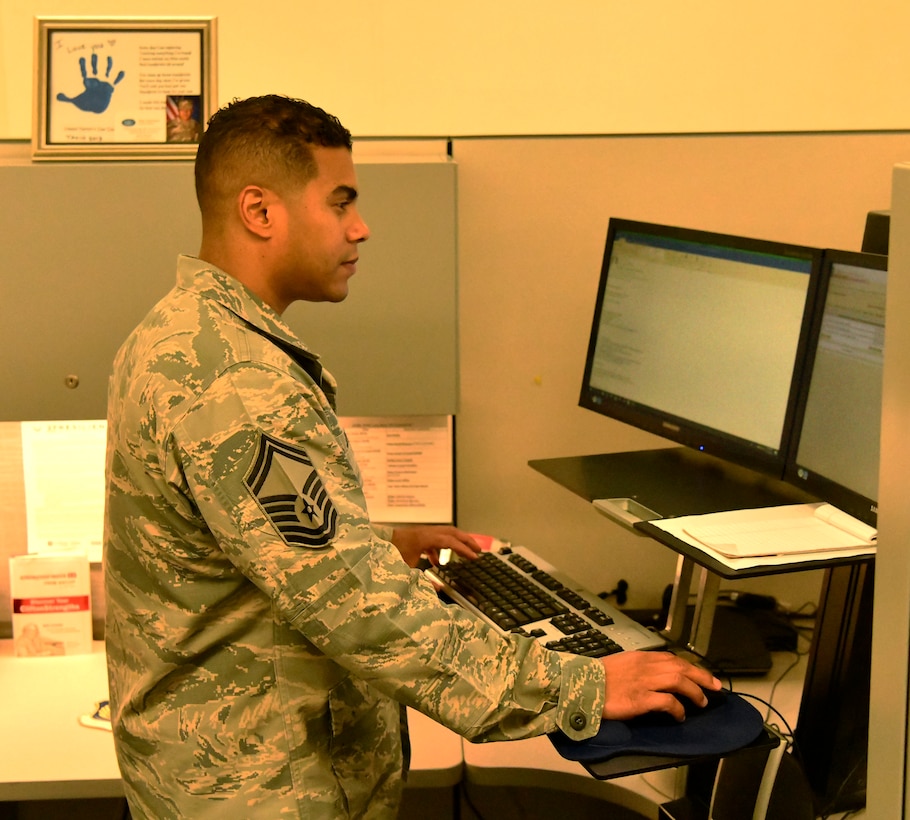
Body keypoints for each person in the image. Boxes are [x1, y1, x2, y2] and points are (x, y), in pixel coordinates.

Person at [103, 94, 720, 819]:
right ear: (260, 211)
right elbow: (362, 613)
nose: (360, 227)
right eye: (340, 202)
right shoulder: (238, 382)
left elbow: (247, 536)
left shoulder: (182, 333)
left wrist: (375, 543)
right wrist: (582, 686)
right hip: (259, 791)